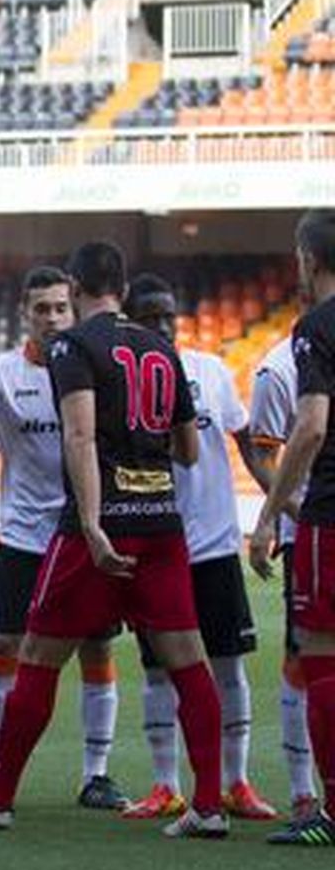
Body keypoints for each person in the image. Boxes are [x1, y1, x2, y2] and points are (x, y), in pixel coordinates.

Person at [0, 240, 227, 840]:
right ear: (121, 284)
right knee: (191, 664)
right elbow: (189, 451)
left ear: (76, 285)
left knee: (38, 656)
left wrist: (91, 522)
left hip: (102, 524)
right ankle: (211, 806)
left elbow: (80, 437)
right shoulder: (162, 348)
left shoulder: (75, 345)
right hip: (162, 523)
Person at [0, 265, 126, 810]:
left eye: (61, 307)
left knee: (96, 647)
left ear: (75, 309)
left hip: (85, 533)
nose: (51, 318)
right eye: (41, 308)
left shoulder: (92, 363)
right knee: (4, 648)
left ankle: (97, 773)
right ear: (25, 313)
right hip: (24, 535)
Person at [124, 273, 277, 820]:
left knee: (229, 665)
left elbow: (247, 444)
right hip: (157, 546)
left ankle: (236, 782)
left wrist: (276, 503)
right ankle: (166, 784)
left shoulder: (210, 371)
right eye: (151, 318)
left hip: (213, 547)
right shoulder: (126, 383)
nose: (164, 326)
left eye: (169, 315)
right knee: (157, 670)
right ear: (130, 322)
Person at [250, 208, 335, 844]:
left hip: (328, 517)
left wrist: (269, 510)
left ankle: (326, 810)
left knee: (319, 658)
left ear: (309, 259)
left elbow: (309, 427)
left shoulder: (315, 329)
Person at [248, 331, 322, 820]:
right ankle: (303, 793)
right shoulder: (279, 368)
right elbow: (262, 454)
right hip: (312, 535)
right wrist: (289, 511)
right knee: (305, 658)